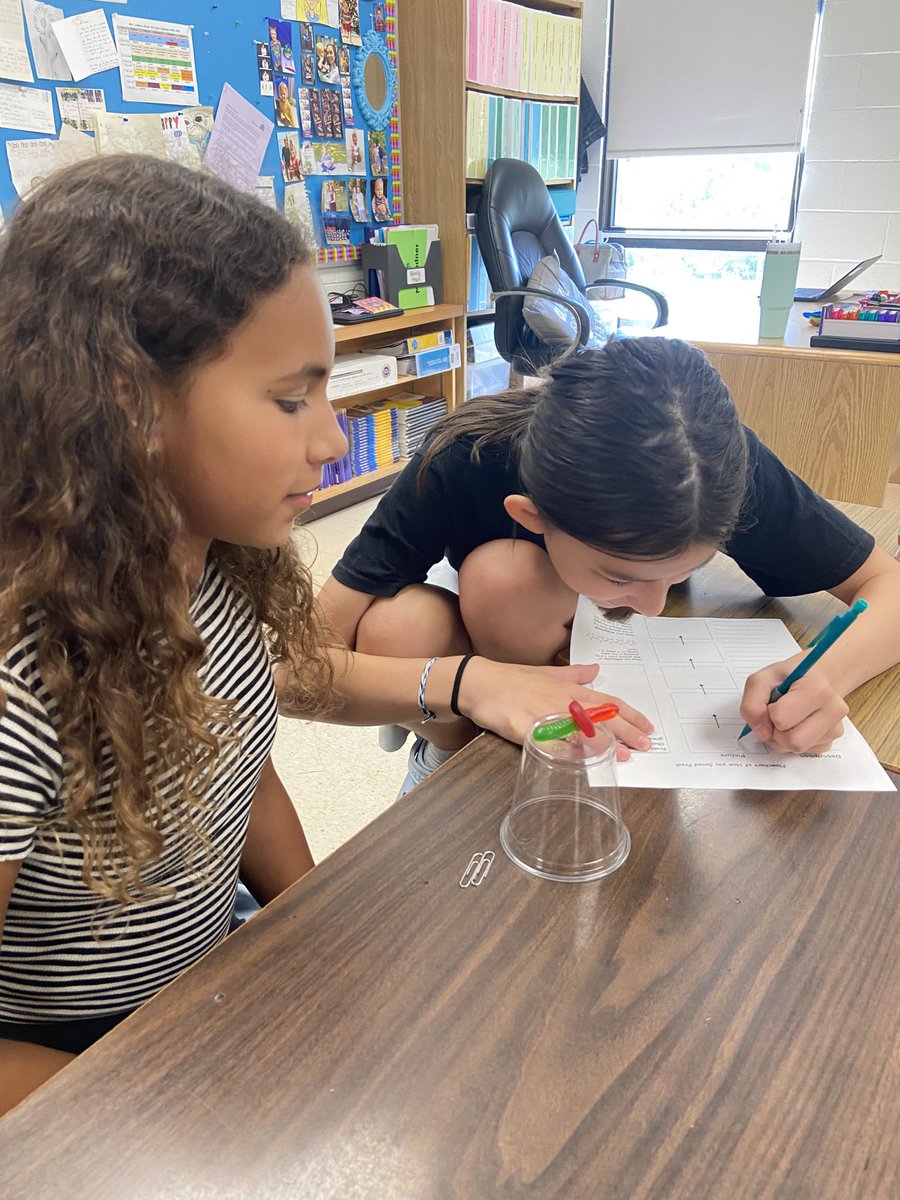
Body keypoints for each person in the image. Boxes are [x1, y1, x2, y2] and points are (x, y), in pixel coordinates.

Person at [0, 155, 349, 1115]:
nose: (332, 440)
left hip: (207, 970)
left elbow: (238, 767)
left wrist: (317, 933)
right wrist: (156, 1103)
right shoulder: (19, 678)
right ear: (127, 399)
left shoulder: (218, 563)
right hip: (71, 1056)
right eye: (292, 400)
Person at [319, 339, 900, 791]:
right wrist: (473, 685)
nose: (649, 604)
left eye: (674, 573)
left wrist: (823, 676)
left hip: (627, 658)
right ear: (531, 515)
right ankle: (456, 756)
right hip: (498, 621)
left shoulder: (719, 466)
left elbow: (888, 581)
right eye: (620, 575)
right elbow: (294, 664)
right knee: (426, 613)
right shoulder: (460, 457)